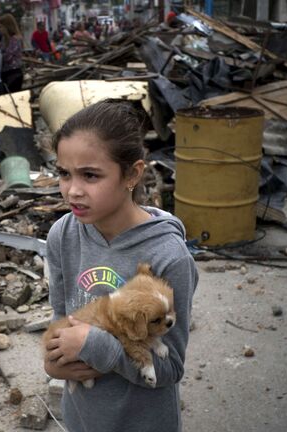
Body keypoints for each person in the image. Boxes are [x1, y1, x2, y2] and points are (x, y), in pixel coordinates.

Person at [43, 99, 198, 432]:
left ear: (132, 175)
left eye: (90, 175)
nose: (73, 191)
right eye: (63, 174)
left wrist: (97, 348)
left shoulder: (168, 258)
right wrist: (53, 362)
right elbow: (60, 317)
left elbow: (170, 369)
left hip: (142, 421)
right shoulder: (63, 234)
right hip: (82, 418)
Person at [0, 13, 24, 93]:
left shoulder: (15, 40)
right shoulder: (3, 40)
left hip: (14, 74)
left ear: (7, 27)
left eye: (1, 27)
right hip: (5, 73)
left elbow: (7, 57)